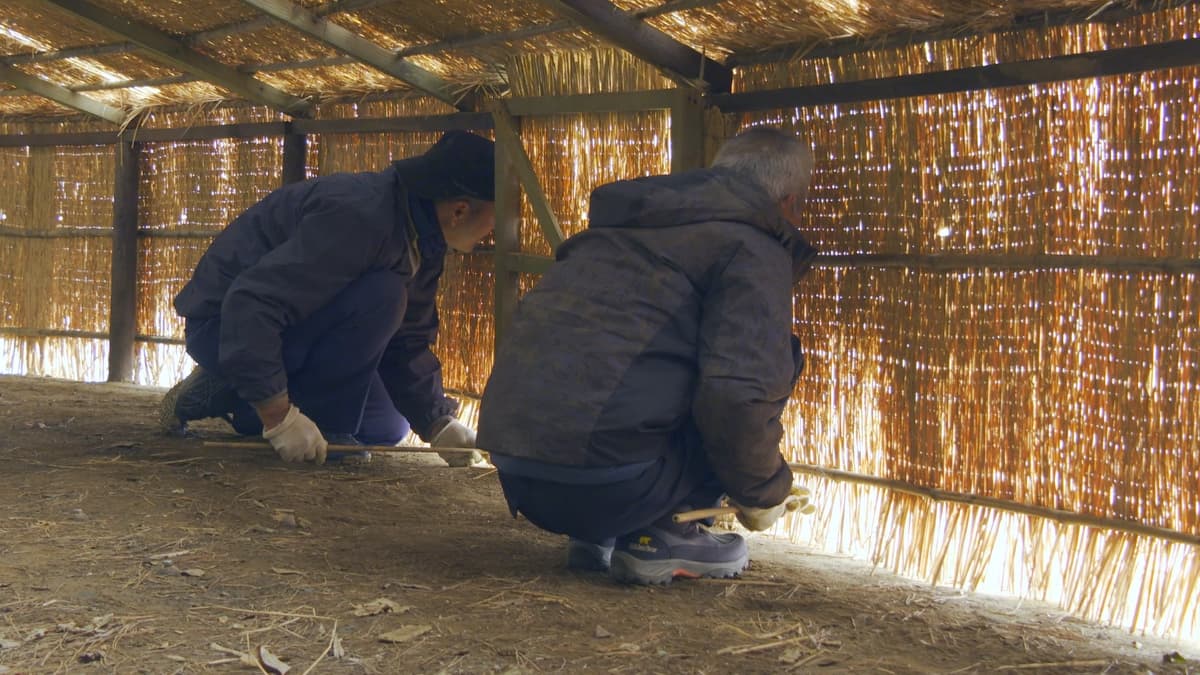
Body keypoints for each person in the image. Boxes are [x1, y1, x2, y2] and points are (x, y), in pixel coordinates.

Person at [476, 126, 817, 584]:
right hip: (613, 484)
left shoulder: (610, 233)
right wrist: (763, 492)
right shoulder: (750, 250)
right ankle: (664, 533)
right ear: (790, 204)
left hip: (520, 476)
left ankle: (601, 533)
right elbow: (737, 396)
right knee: (772, 360)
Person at [159, 130, 495, 467]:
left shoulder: (423, 238)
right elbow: (250, 303)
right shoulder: (362, 218)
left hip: (280, 333)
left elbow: (407, 338)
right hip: (224, 328)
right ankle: (254, 393)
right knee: (385, 295)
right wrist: (278, 417)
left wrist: (438, 422)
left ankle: (234, 396)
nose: (489, 236)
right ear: (460, 211)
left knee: (388, 426)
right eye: (492, 223)